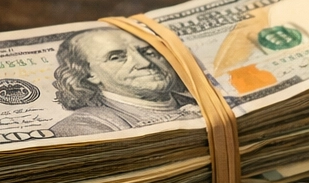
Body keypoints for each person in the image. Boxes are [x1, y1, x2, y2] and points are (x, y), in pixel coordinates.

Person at [51, 27, 201, 136]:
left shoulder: (203, 100)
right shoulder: (84, 126)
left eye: (149, 52)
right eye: (116, 57)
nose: (144, 63)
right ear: (89, 74)